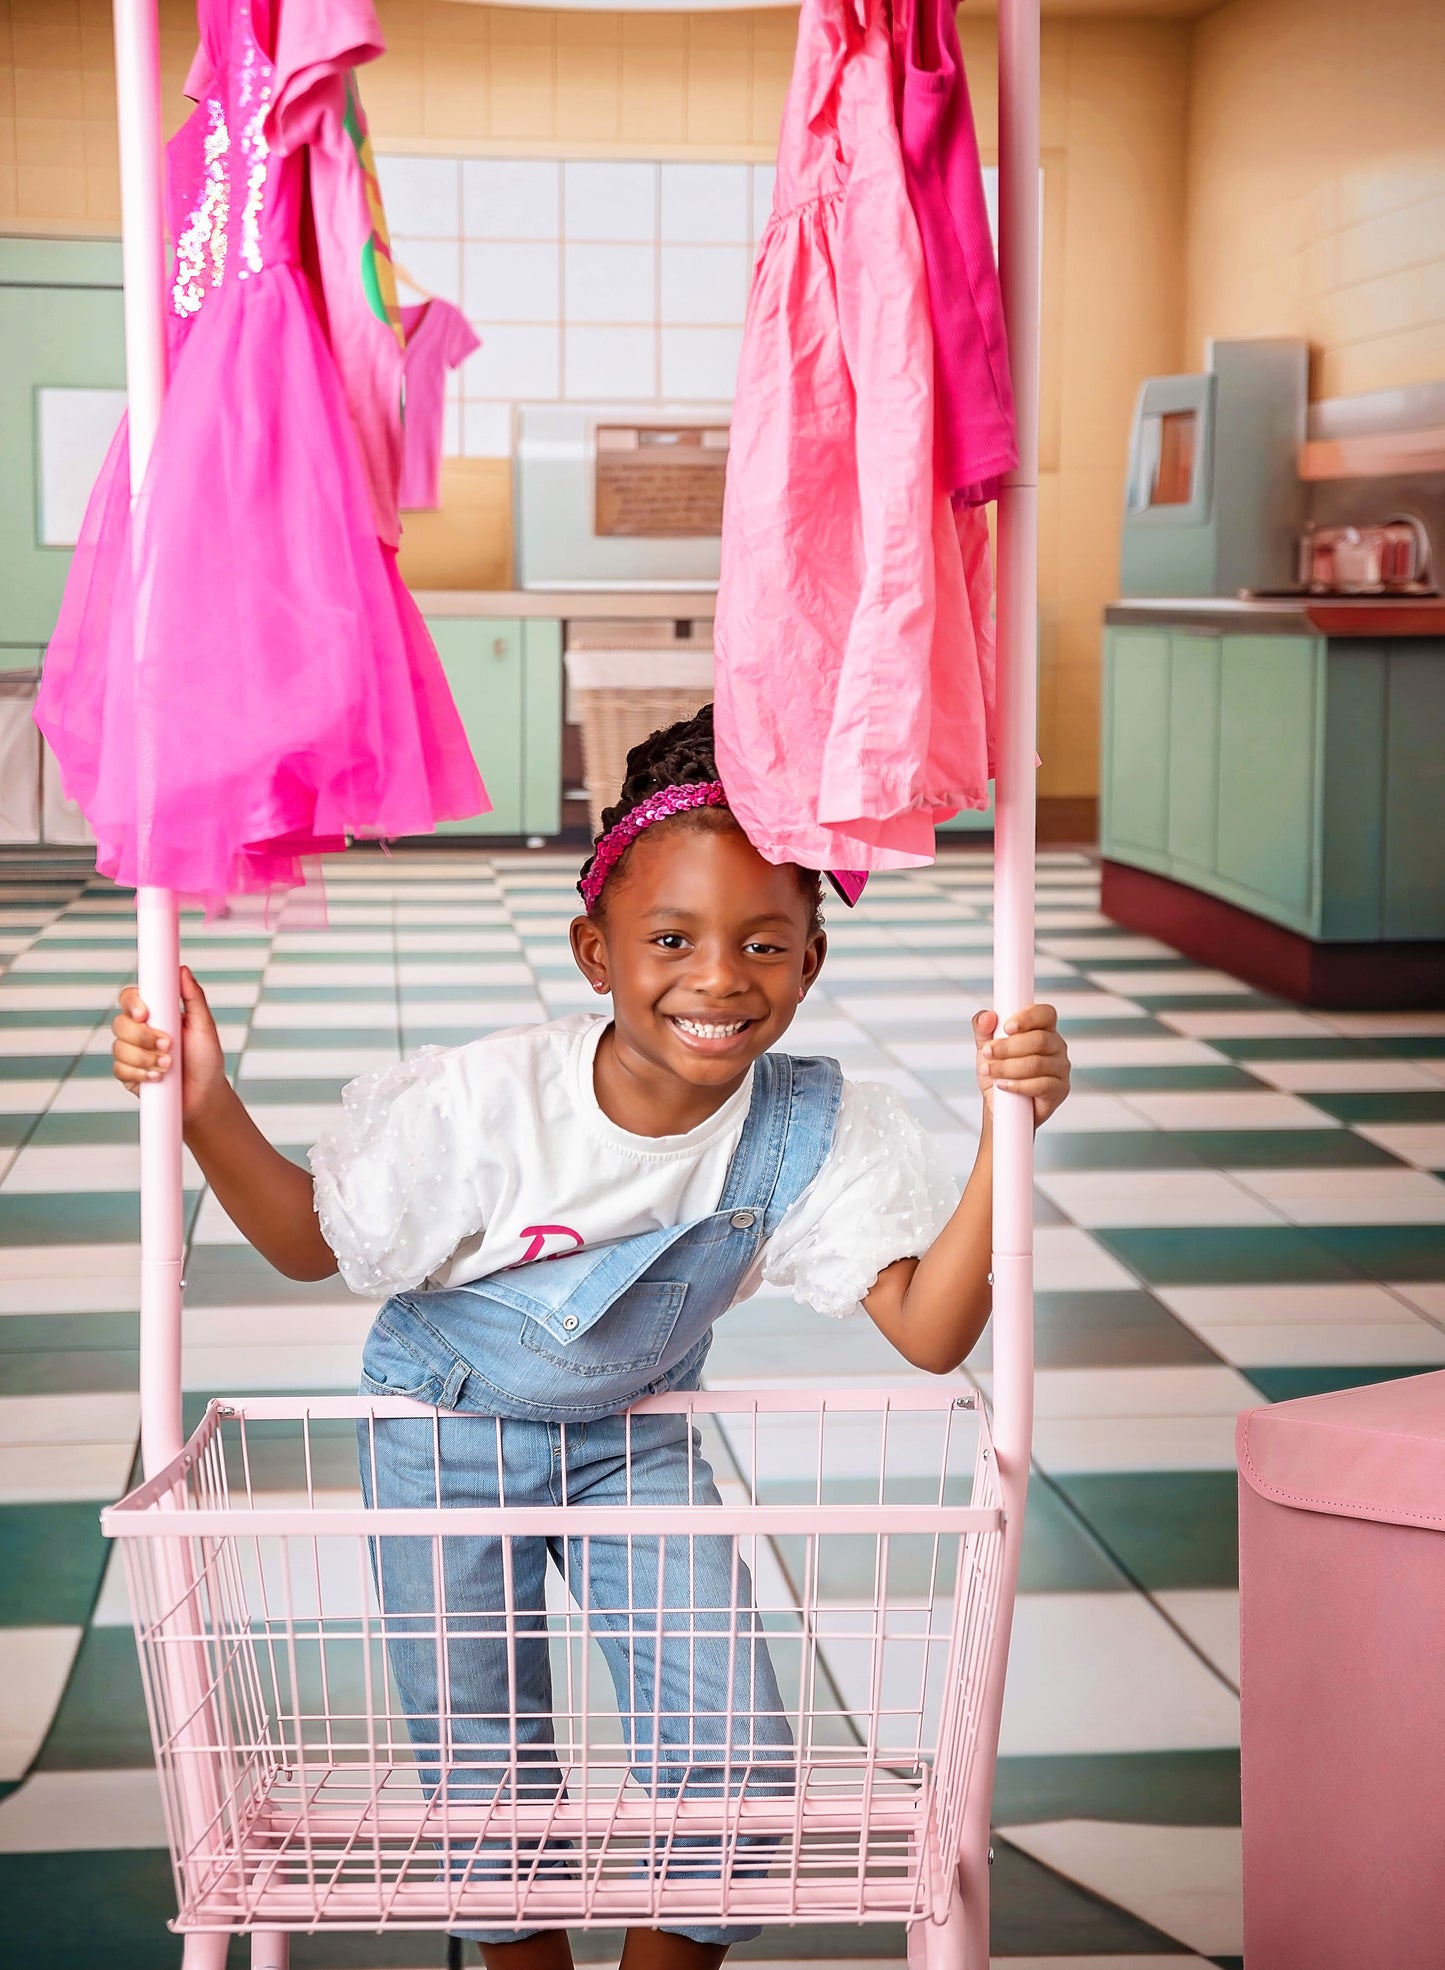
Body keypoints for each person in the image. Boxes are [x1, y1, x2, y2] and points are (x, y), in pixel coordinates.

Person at [111, 706, 1071, 1970]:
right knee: (483, 1755)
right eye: (670, 939)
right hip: (440, 1436)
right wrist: (202, 1102)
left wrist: (1008, 1127)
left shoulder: (807, 1127)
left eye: (762, 943)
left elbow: (933, 1330)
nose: (718, 978)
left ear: (810, 961)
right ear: (594, 952)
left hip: (637, 1437)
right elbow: (305, 1242)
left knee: (730, 1748)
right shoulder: (492, 1102)